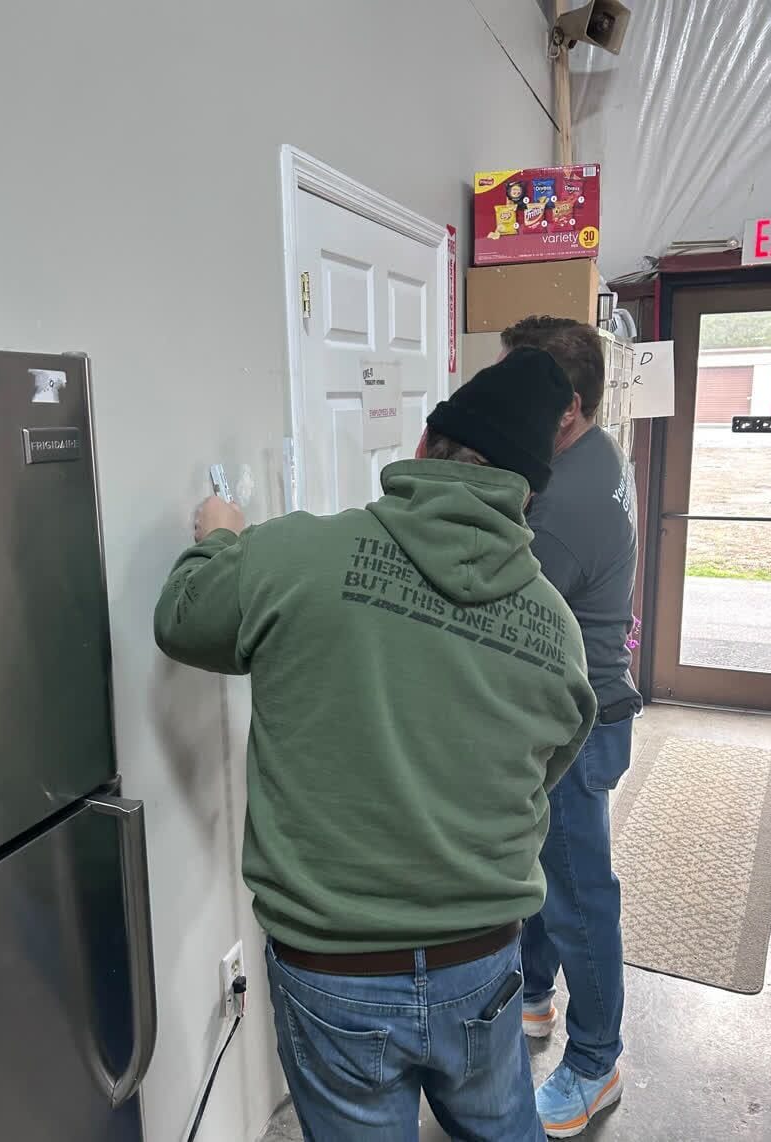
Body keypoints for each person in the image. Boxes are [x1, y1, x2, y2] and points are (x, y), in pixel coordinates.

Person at [154, 348, 597, 1142]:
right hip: (482, 961)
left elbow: (183, 618)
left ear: (424, 445)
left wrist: (220, 538)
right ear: (525, 494)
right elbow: (550, 768)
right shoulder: (554, 629)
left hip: (336, 968)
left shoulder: (293, 557)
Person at [500, 317, 642, 1138]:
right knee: (548, 875)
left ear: (564, 409)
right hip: (594, 706)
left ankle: (597, 1063)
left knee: (580, 899)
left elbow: (498, 617)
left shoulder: (559, 506)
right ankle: (532, 993)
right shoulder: (594, 449)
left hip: (575, 728)